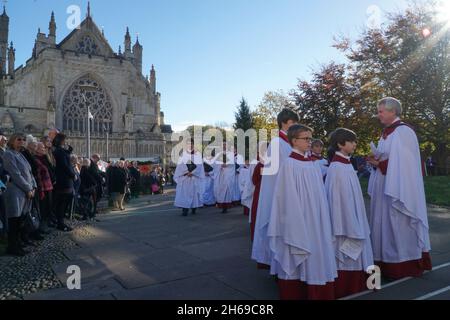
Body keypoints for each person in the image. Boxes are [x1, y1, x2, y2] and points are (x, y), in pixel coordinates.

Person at [267, 125, 337, 300]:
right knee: (301, 249)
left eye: (310, 138)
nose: (309, 142)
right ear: (293, 140)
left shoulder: (311, 163)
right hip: (301, 220)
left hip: (316, 219)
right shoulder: (289, 165)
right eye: (305, 139)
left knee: (317, 252)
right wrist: (298, 221)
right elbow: (286, 199)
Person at [367, 97, 432, 280]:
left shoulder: (404, 132)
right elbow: (389, 159)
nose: (378, 114)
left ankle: (404, 264)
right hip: (385, 185)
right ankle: (386, 263)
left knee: (398, 222)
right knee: (384, 223)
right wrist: (375, 162)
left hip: (400, 188)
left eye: (381, 111)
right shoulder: (386, 132)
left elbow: (405, 164)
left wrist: (380, 163)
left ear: (392, 111)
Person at [325, 128, 374, 299]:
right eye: (351, 141)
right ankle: (347, 286)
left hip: (354, 217)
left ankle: (361, 282)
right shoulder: (337, 167)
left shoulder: (346, 163)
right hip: (345, 223)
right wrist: (351, 224)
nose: (355, 144)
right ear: (340, 144)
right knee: (345, 252)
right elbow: (338, 202)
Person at [252, 108, 299, 269]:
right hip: (281, 193)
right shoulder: (278, 143)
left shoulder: (289, 142)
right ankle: (279, 266)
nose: (295, 126)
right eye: (293, 123)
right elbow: (278, 171)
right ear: (283, 124)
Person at [3, 133, 37, 256]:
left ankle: (18, 243)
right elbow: (15, 174)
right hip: (15, 192)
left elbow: (29, 172)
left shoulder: (21, 155)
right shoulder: (8, 154)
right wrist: (28, 188)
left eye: (23, 140)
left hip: (26, 191)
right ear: (12, 141)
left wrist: (33, 187)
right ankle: (13, 246)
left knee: (21, 220)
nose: (21, 141)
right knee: (14, 220)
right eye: (18, 139)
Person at [174, 139, 205, 216]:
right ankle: (185, 210)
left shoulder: (197, 155)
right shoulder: (183, 155)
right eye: (188, 144)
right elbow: (180, 166)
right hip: (186, 178)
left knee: (194, 194)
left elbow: (200, 166)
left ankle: (194, 208)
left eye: (191, 144)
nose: (190, 145)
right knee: (184, 194)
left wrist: (193, 172)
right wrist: (186, 172)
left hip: (194, 178)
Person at [52, 133, 75, 232]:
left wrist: (69, 151)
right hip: (64, 180)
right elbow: (64, 165)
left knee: (63, 202)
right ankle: (60, 223)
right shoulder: (59, 151)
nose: (66, 141)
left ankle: (60, 222)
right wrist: (72, 174)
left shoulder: (60, 151)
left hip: (65, 180)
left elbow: (64, 158)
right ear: (61, 140)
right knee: (62, 203)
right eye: (65, 140)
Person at [35, 142, 54, 234]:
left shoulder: (45, 158)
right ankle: (42, 227)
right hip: (42, 186)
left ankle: (46, 224)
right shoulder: (36, 159)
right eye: (42, 147)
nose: (44, 149)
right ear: (37, 149)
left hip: (48, 185)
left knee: (48, 206)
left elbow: (50, 169)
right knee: (43, 208)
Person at [213, 142, 236, 214]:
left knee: (226, 190)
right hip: (220, 175)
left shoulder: (231, 154)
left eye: (225, 145)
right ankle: (221, 205)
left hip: (227, 175)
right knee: (220, 189)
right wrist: (220, 165)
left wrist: (227, 164)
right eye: (223, 145)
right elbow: (214, 164)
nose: (224, 146)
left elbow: (233, 164)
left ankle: (225, 207)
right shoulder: (218, 154)